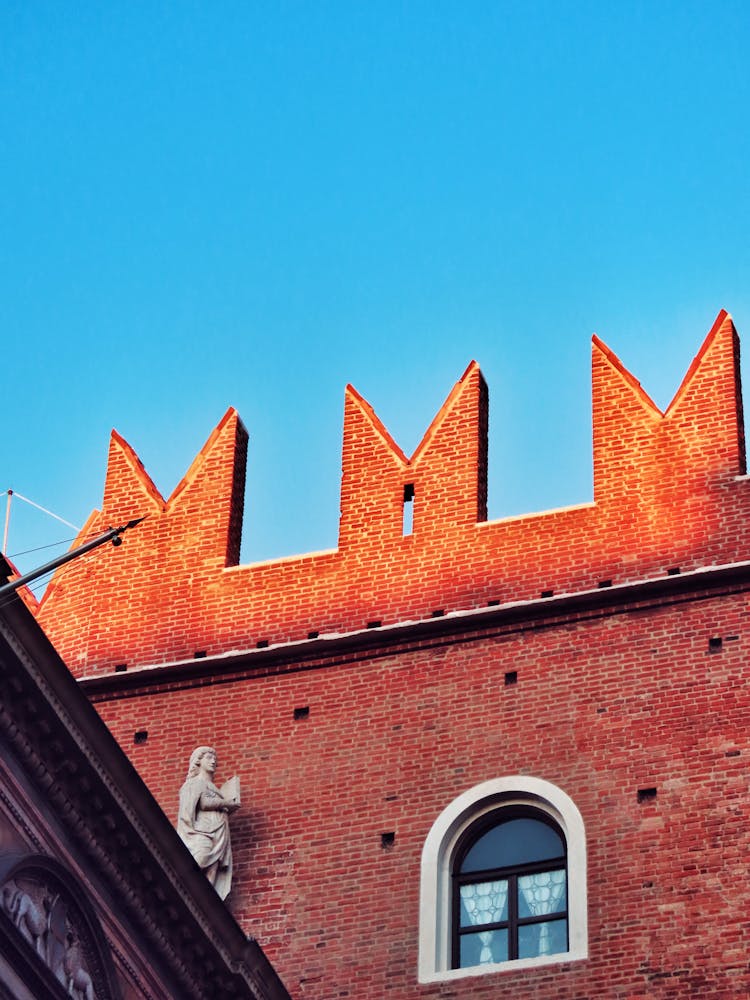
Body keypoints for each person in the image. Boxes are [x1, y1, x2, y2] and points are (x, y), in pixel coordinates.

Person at [177, 747, 239, 900]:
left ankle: (207, 900)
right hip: (202, 831)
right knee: (202, 858)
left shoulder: (212, 787)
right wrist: (226, 803)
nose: (213, 762)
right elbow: (204, 803)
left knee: (213, 868)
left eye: (215, 760)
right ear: (198, 761)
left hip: (218, 831)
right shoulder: (195, 783)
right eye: (209, 758)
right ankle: (185, 893)